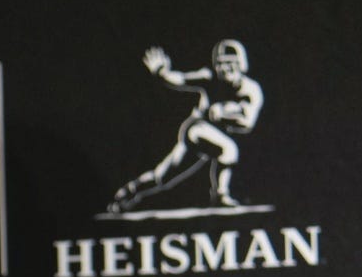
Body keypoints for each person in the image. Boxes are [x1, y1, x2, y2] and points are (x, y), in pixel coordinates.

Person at [105, 40, 264, 214]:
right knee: (229, 150)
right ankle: (220, 195)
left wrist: (225, 114)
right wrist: (161, 72)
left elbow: (248, 123)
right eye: (220, 63)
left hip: (213, 135)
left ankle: (127, 193)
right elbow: (181, 78)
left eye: (229, 62)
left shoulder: (251, 90)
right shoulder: (209, 77)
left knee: (162, 178)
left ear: (241, 64)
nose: (224, 68)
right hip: (197, 129)